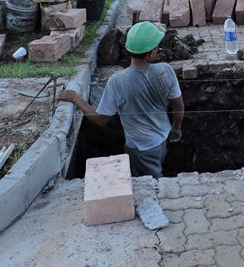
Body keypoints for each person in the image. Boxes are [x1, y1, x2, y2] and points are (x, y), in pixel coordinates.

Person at [59, 21, 184, 178]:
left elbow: (100, 119)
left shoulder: (118, 82)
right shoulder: (166, 71)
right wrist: (176, 127)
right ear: (151, 53)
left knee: (151, 182)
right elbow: (178, 105)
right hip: (163, 139)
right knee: (155, 172)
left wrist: (76, 99)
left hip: (141, 149)